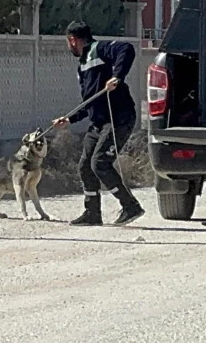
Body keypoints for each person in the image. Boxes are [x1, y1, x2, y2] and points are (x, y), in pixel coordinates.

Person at [52, 21, 145, 226]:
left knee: (100, 163)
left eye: (68, 42)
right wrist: (70, 119)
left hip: (118, 119)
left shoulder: (99, 49)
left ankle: (131, 206)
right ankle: (92, 213)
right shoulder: (82, 66)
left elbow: (126, 49)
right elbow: (90, 101)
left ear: (72, 40)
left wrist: (117, 77)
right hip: (98, 123)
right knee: (85, 166)